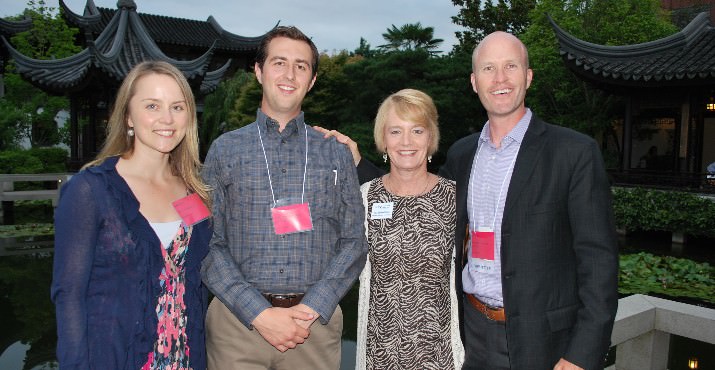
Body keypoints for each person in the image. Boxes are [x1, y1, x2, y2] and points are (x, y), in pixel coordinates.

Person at [322, 31, 619, 370]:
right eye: (489, 69)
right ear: (475, 82)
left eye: (511, 66)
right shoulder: (463, 155)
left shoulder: (573, 153)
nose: (500, 79)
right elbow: (411, 195)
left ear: (529, 76)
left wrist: (581, 354)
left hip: (543, 341)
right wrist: (359, 164)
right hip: (470, 334)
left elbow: (599, 263)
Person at [201, 26, 367, 370]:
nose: (289, 74)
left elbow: (353, 242)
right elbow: (207, 244)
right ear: (259, 71)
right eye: (279, 63)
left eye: (301, 66)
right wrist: (257, 312)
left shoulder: (335, 153)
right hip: (237, 326)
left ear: (313, 79)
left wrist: (312, 307)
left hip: (313, 328)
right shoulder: (225, 149)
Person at [52, 60, 213, 370]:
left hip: (185, 358)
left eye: (178, 107)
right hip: (115, 356)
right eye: (152, 105)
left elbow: (197, 281)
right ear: (128, 116)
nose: (167, 119)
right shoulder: (91, 191)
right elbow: (69, 295)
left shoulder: (195, 191)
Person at [355, 89, 464, 369]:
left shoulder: (456, 198)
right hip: (379, 354)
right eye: (395, 131)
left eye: (417, 130)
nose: (406, 141)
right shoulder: (364, 198)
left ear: (430, 138)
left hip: (440, 355)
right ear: (383, 138)